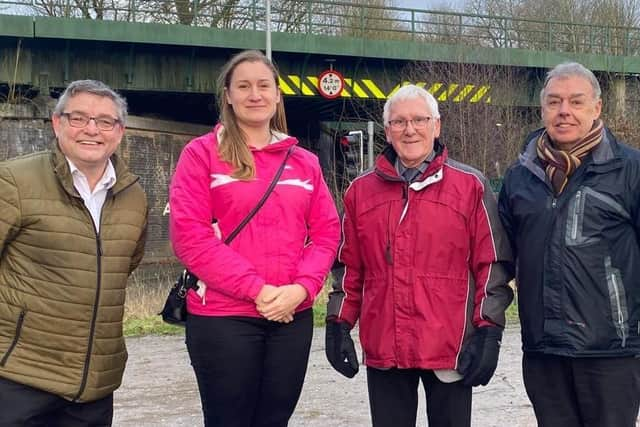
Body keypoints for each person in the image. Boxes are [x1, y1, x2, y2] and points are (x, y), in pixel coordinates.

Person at [325, 84, 514, 427]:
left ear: (436, 126)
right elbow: (349, 268)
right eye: (399, 122)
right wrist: (338, 323)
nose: (409, 129)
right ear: (387, 131)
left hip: (450, 346)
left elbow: (492, 266)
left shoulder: (470, 186)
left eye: (419, 120)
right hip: (386, 345)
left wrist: (489, 330)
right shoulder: (360, 193)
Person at [169, 49, 340, 427]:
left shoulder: (304, 161)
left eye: (264, 86)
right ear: (227, 95)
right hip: (223, 317)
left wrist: (302, 290)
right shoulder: (200, 155)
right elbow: (190, 237)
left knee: (275, 420)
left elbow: (327, 233)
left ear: (278, 95)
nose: (255, 94)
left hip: (290, 314)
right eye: (243, 86)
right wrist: (258, 291)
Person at [498, 62, 640, 427]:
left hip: (612, 351)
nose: (564, 111)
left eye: (576, 102)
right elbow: (501, 260)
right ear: (542, 109)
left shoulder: (630, 171)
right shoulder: (519, 177)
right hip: (544, 350)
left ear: (597, 108)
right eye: (554, 102)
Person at [0, 79, 148, 426]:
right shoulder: (14, 180)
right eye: (78, 118)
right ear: (57, 123)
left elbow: (124, 265)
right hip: (20, 378)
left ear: (120, 131)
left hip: (94, 384)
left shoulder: (133, 195)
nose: (92, 130)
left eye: (105, 121)